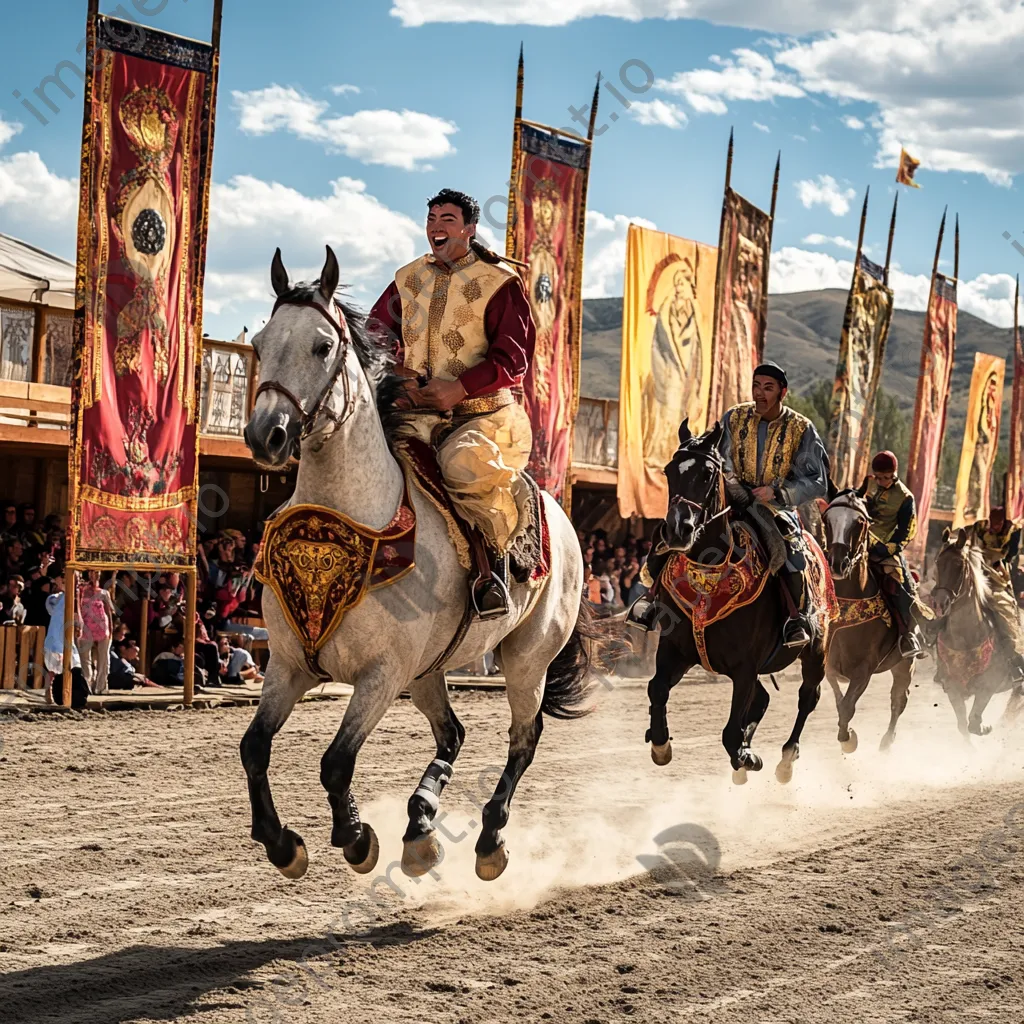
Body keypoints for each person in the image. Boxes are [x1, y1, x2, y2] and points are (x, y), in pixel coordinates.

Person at [368, 188, 536, 619]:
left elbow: (513, 359)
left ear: (469, 229)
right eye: (431, 219)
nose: (436, 226)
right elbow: (374, 335)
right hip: (412, 411)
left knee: (464, 467)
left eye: (447, 218)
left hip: (480, 417)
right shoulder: (406, 279)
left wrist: (458, 388)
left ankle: (492, 574)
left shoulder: (500, 283)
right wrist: (396, 375)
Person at [628, 361, 828, 646]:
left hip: (775, 506)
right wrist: (732, 484)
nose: (760, 393)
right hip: (730, 498)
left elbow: (817, 480)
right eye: (756, 386)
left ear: (783, 392)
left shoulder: (801, 428)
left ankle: (798, 618)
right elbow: (718, 457)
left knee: (791, 550)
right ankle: (649, 601)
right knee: (677, 530)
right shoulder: (734, 417)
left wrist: (777, 492)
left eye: (768, 388)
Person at [864, 451, 926, 659]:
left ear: (894, 474)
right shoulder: (869, 485)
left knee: (902, 586)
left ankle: (909, 635)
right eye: (878, 477)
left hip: (887, 549)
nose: (882, 482)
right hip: (860, 543)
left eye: (886, 478)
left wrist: (887, 548)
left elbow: (906, 532)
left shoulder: (906, 497)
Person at [969, 506, 1024, 683]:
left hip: (999, 571)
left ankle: (1012, 655)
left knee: (1001, 606)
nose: (995, 526)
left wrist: (1000, 563)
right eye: (993, 523)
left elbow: (1012, 554)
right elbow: (972, 543)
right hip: (976, 565)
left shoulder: (1013, 531)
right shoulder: (980, 527)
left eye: (998, 524)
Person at [78, 570, 116, 694]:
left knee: (103, 658)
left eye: (97, 574)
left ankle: (101, 686)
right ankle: (86, 685)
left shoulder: (104, 593)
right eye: (92, 573)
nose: (94, 576)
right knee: (85, 658)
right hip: (85, 626)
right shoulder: (81, 591)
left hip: (101, 625)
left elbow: (109, 611)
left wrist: (110, 628)